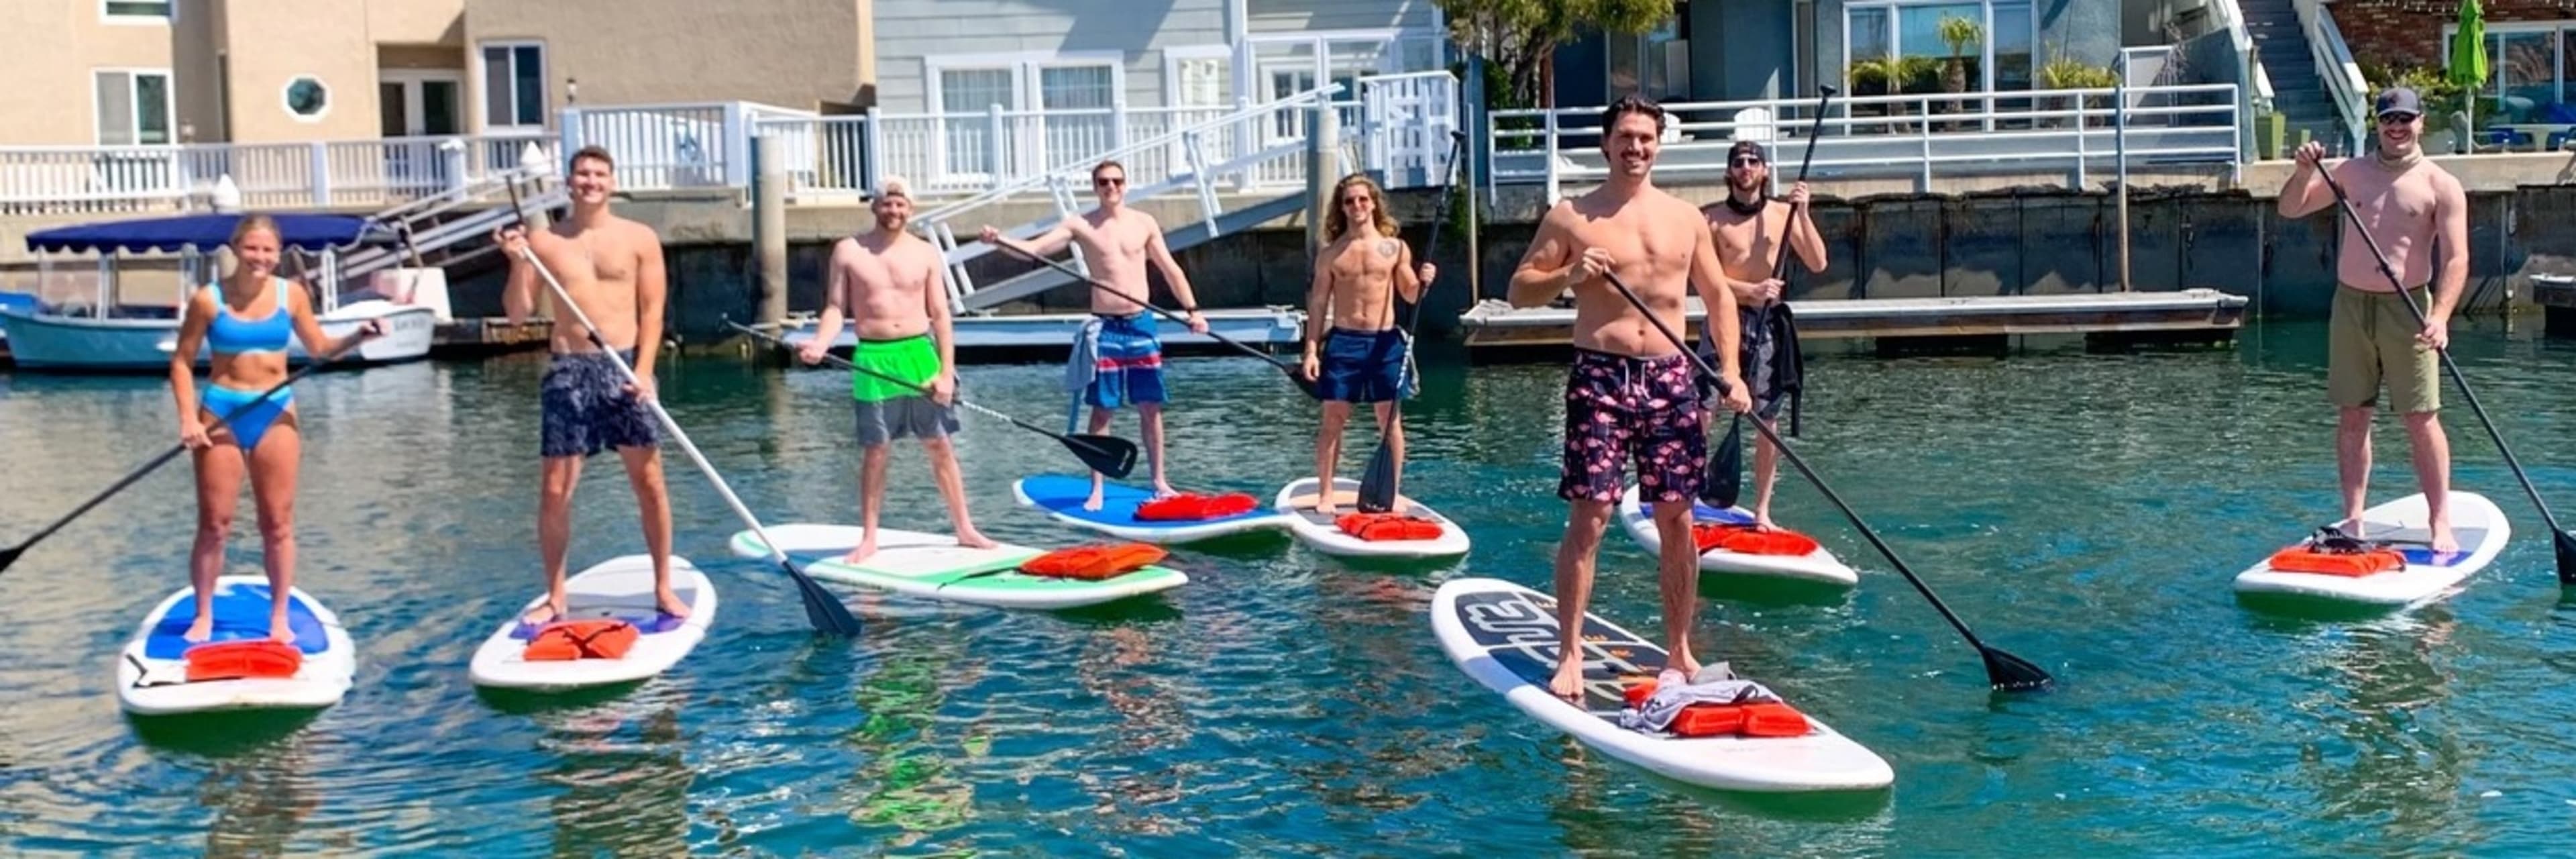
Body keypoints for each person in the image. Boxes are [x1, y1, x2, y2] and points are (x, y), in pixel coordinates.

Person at [1507, 95, 1754, 701]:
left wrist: (1731, 371)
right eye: (1625, 137)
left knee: (1677, 517)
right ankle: (1569, 654)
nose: (1636, 147)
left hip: (1670, 378)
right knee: (1589, 518)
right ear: (1606, 143)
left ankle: (1679, 650)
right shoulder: (1572, 217)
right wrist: (1569, 277)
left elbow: (1719, 298)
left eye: (1646, 137)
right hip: (1601, 378)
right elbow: (1517, 291)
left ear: (1658, 144)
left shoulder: (1685, 219)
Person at [495, 144, 691, 623]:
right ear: (569, 182)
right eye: (582, 174)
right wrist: (518, 262)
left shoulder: (639, 238)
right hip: (569, 370)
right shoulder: (544, 243)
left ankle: (663, 586)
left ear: (612, 181)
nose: (590, 182)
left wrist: (645, 370)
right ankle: (556, 595)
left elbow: (652, 311)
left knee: (650, 484)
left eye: (599, 174)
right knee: (556, 489)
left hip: (624, 367)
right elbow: (517, 316)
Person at [168, 213, 383, 642]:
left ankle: (279, 617)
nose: (259, 258)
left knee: (278, 523)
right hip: (221, 411)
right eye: (252, 248)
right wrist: (189, 419)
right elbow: (181, 363)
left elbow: (322, 349)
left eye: (268, 250)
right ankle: (204, 614)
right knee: (215, 522)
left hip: (275, 411)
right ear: (235, 247)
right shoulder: (209, 300)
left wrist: (358, 338)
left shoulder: (293, 295)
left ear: (277, 253)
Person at [2276, 86, 2467, 553]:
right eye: (2388, 120)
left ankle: (2440, 521)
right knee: (2353, 414)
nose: (2397, 128)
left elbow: (2457, 259)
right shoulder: (2351, 173)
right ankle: (2354, 517)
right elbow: (2291, 207)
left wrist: (2440, 317)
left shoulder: (2440, 184)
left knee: (2421, 417)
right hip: (2351, 306)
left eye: (2406, 119)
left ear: (2421, 122)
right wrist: (2302, 171)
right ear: (2377, 124)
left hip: (2408, 311)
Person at [977, 160, 1210, 511]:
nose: (1111, 187)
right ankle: (1096, 487)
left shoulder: (1143, 223)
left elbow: (1170, 270)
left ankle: (1159, 481)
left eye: (1117, 181)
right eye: (1104, 182)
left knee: (1151, 408)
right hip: (1106, 329)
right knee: (1102, 411)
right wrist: (1000, 241)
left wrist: (1192, 310)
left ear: (1126, 185)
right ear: (1095, 186)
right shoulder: (1081, 225)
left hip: (1142, 324)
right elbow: (1037, 251)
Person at [798, 176, 997, 562]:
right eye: (887, 204)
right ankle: (869, 536)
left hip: (920, 355)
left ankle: (965, 529)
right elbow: (837, 308)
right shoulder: (849, 250)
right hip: (873, 357)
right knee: (876, 450)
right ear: (874, 207)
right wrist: (821, 342)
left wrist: (945, 372)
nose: (894, 211)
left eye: (901, 204)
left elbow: (941, 315)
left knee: (940, 445)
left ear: (911, 209)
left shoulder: (924, 253)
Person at [1701, 140, 1825, 528]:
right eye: (1738, 162)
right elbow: (1700, 277)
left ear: (1765, 171)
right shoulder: (1710, 220)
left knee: (1766, 419)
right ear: (1728, 172)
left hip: (1769, 324)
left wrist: (1802, 213)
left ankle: (1762, 510)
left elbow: (1818, 263)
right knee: (1704, 409)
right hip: (1724, 318)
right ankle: (1686, 494)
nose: (1746, 167)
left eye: (1754, 161)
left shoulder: (1782, 215)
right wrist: (1748, 291)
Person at [1300, 172, 1436, 513]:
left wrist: (1424, 282)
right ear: (1341, 208)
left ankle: (1390, 491)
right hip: (1344, 343)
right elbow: (1317, 304)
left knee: (1390, 420)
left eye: (1363, 199)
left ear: (1374, 203)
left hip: (1385, 343)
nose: (1357, 206)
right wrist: (1312, 350)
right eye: (1349, 201)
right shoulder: (1331, 254)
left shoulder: (1395, 248)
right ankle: (1326, 494)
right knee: (1333, 419)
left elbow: (1409, 292)